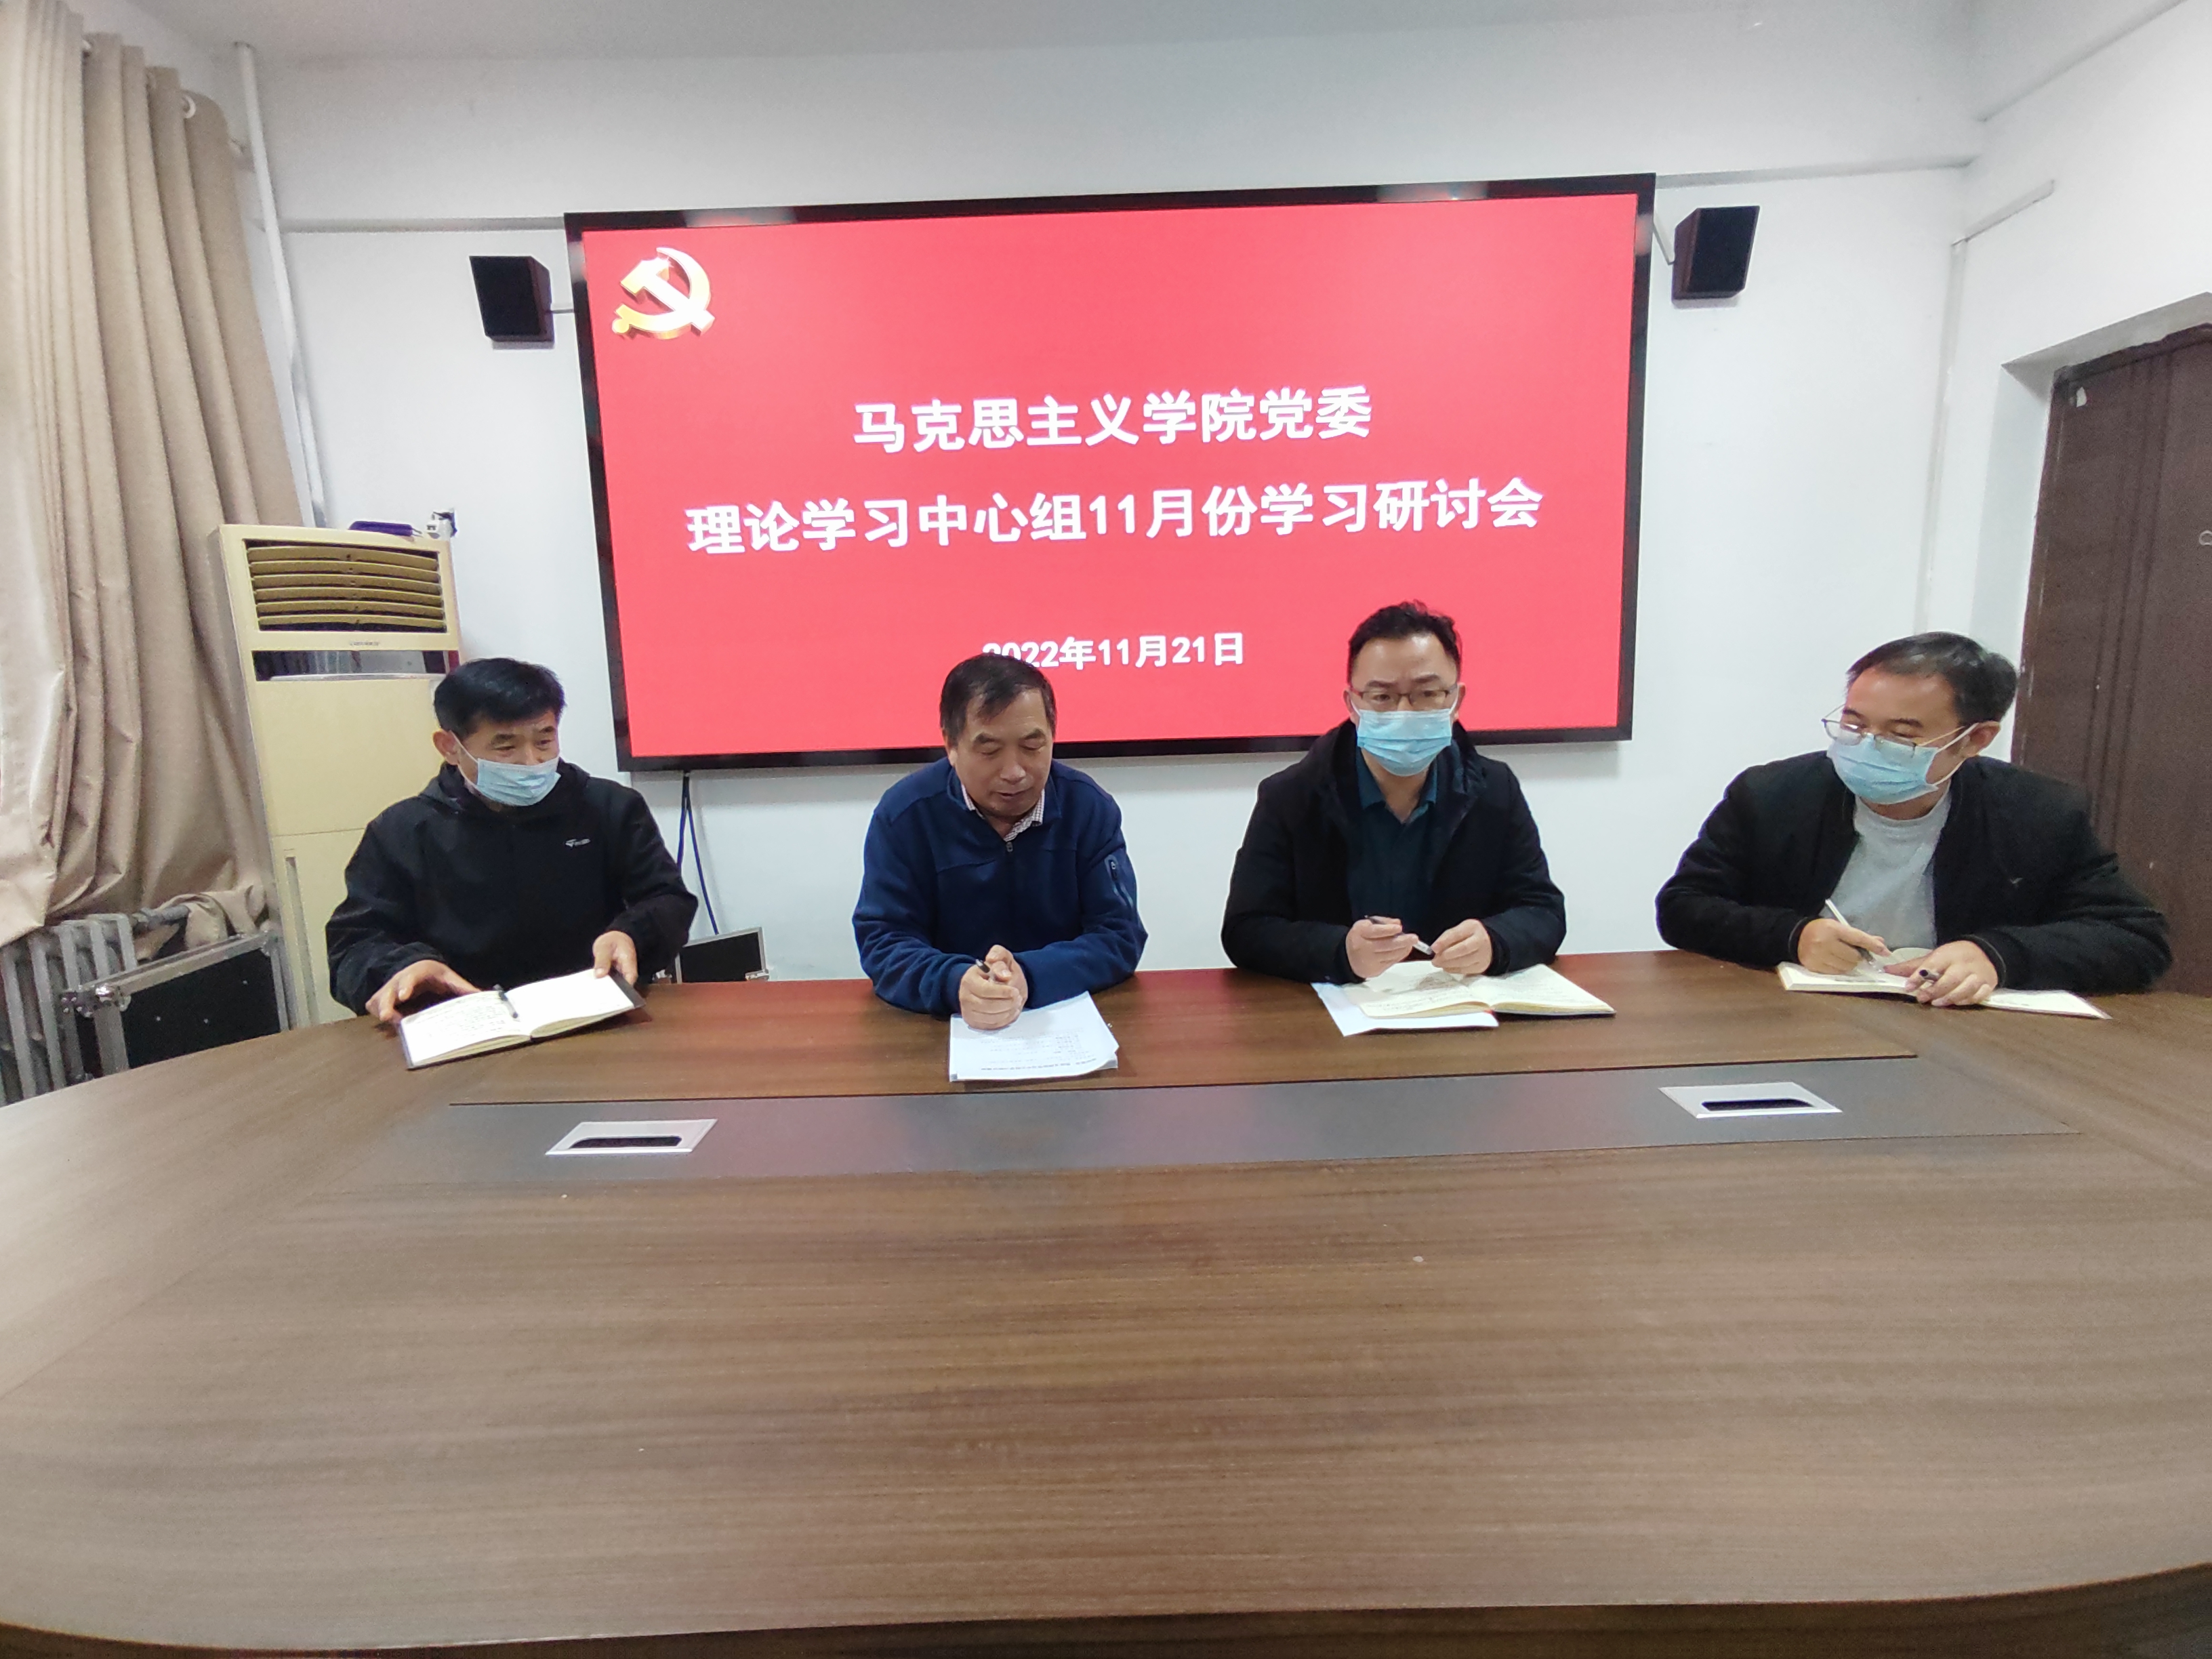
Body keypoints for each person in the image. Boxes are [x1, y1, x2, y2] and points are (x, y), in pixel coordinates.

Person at [1656, 632, 2169, 1004]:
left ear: (1975, 739)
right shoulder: (1773, 795)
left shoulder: (2038, 812)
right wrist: (1793, 936)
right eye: (1855, 725)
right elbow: (1683, 908)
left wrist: (1997, 955)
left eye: (1901, 735)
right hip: (1795, 1015)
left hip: (1962, 1032)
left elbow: (2135, 939)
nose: (1868, 747)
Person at [327, 657, 697, 1023]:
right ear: (450, 746)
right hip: (465, 1025)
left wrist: (630, 934)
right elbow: (355, 942)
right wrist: (403, 966)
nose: (530, 761)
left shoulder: (609, 807)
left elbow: (667, 898)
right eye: (505, 747)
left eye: (544, 741)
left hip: (596, 1015)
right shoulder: (402, 831)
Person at [1221, 600, 1567, 983]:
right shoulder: (1291, 797)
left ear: (1456, 701)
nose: (1405, 712)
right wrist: (1339, 951)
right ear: (1353, 705)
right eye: (1382, 697)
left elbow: (1543, 911)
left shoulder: (1495, 789)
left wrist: (1495, 941)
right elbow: (1245, 930)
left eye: (1427, 693)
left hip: (1456, 1004)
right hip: (1335, 1011)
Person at [853, 654, 1145, 1028]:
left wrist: (1030, 975)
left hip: (1065, 1021)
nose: (1014, 772)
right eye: (990, 750)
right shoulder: (906, 815)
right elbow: (884, 940)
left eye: (1032, 746)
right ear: (951, 745)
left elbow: (1119, 936)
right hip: (943, 1028)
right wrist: (955, 982)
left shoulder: (1087, 808)